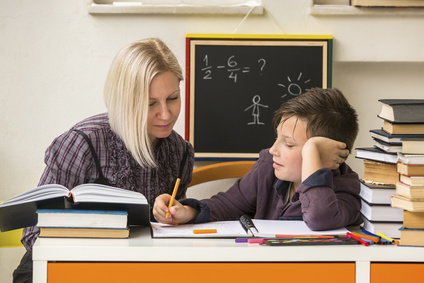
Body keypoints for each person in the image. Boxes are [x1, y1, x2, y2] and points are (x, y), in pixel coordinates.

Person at [13, 38, 194, 282]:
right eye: (150, 103)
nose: (166, 114)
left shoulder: (179, 152)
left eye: (172, 98)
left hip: (133, 272)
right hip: (60, 270)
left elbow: (172, 235)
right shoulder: (83, 143)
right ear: (125, 100)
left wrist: (174, 217)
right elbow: (33, 232)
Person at [153, 88, 363, 230]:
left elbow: (321, 218)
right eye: (276, 138)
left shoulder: (346, 189)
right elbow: (228, 204)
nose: (273, 149)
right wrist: (187, 211)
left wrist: (312, 152)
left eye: (288, 144)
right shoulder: (268, 168)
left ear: (329, 154)